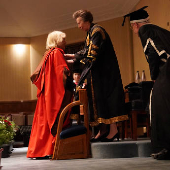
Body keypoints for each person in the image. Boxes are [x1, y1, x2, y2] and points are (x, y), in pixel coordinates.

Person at [65, 9, 128, 142]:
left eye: (79, 22)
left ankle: (113, 130)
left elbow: (92, 55)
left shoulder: (97, 31)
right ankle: (103, 130)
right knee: (99, 102)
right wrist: (70, 57)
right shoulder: (90, 33)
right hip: (99, 74)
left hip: (106, 73)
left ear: (86, 20)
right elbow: (85, 51)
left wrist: (74, 60)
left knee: (107, 100)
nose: (79, 26)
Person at [123, 6, 170, 160]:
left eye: (132, 27)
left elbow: (152, 52)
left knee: (158, 105)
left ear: (136, 25)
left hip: (166, 70)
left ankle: (164, 148)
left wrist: (154, 76)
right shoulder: (159, 29)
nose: (133, 30)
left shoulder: (145, 31)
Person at [27, 31, 73, 158]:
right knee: (53, 120)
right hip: (53, 95)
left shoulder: (48, 54)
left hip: (45, 94)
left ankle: (39, 150)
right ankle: (49, 149)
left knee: (43, 122)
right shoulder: (57, 52)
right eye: (63, 39)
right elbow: (61, 74)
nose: (65, 42)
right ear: (56, 40)